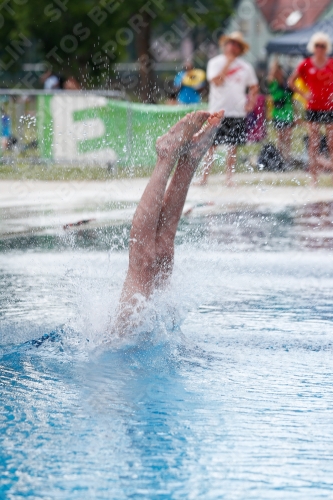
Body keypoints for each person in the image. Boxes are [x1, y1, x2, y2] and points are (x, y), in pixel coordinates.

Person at [114, 109, 224, 334]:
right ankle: (178, 158)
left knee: (156, 256)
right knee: (156, 257)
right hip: (126, 346)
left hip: (129, 344)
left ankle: (180, 158)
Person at [198, 31, 258, 186]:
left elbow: (254, 86)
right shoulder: (215, 62)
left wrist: (251, 102)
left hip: (237, 111)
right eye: (231, 43)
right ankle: (204, 178)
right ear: (225, 45)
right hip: (217, 111)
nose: (233, 46)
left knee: (233, 146)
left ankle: (229, 178)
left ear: (240, 49)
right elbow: (216, 82)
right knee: (211, 145)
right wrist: (228, 64)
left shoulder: (246, 67)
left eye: (237, 44)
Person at [288, 32, 333, 185]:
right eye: (317, 45)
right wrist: (304, 93)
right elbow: (291, 82)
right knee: (313, 141)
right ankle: (314, 177)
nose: (319, 48)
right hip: (313, 107)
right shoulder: (306, 63)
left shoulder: (331, 63)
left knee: (331, 141)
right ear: (312, 47)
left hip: (329, 107)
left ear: (326, 48)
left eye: (322, 46)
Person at [267, 60, 294, 164]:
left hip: (288, 111)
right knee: (280, 136)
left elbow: (291, 98)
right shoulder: (272, 82)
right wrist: (275, 63)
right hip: (278, 112)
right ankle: (280, 157)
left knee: (287, 136)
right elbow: (270, 76)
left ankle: (287, 157)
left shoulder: (286, 82)